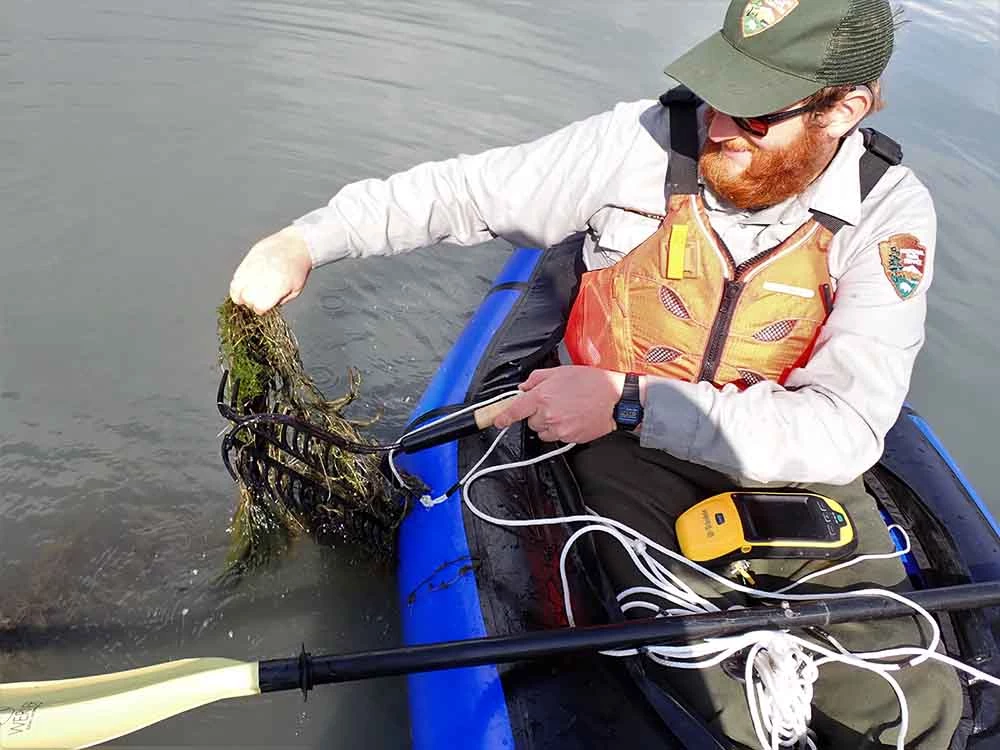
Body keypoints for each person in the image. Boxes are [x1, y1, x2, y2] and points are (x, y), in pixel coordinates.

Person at [229, 0, 963, 746]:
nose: (715, 125)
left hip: (779, 460)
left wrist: (633, 402)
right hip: (625, 452)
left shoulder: (889, 212)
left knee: (917, 704)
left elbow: (845, 426)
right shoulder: (637, 141)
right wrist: (306, 241)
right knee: (700, 677)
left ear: (842, 111)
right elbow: (463, 194)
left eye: (752, 115)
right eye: (716, 94)